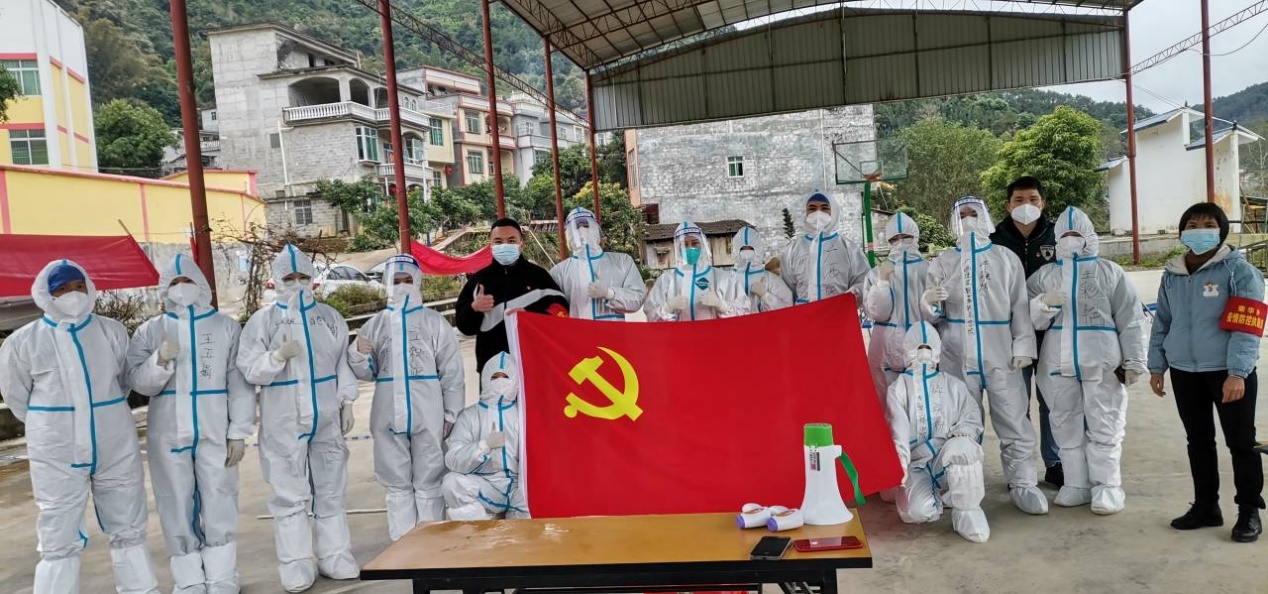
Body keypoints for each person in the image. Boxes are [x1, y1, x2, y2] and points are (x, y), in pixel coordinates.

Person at [0, 260, 162, 594]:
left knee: (128, 520)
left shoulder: (111, 331)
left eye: (78, 287)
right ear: (46, 294)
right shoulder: (23, 341)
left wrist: (104, 413)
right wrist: (52, 423)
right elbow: (16, 396)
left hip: (113, 441)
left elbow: (122, 382)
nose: (72, 294)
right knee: (58, 527)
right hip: (57, 447)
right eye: (61, 289)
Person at [126, 254, 255, 593]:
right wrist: (159, 360)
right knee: (174, 499)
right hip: (167, 432)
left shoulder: (225, 327)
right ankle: (189, 579)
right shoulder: (150, 331)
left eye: (187, 281)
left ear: (200, 285)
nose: (181, 288)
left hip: (214, 428)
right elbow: (138, 383)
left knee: (220, 496)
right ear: (163, 288)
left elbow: (239, 382)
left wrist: (238, 430)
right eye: (174, 282)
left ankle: (222, 575)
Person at [237, 245, 359, 592]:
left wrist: (347, 401)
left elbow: (341, 362)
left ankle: (335, 555)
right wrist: (276, 357)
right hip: (283, 419)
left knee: (331, 487)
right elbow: (249, 368)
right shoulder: (263, 321)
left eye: (303, 277)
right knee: (289, 493)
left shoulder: (329, 317)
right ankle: (296, 563)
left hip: (326, 416)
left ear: (312, 278)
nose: (296, 283)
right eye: (289, 277)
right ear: (277, 279)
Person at [1149, 202, 1264, 543]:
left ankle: (1249, 511)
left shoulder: (1238, 271)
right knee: (1198, 441)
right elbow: (1162, 321)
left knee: (1241, 442)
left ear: (1221, 230)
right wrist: (1157, 365)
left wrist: (1238, 373)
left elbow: (1247, 326)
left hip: (1227, 371)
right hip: (1185, 370)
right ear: (1182, 231)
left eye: (1208, 224)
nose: (1200, 230)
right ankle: (1206, 507)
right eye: (1193, 225)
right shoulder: (1172, 273)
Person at [926, 197, 1047, 515]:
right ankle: (961, 485)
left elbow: (1020, 307)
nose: (968, 220)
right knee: (959, 422)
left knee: (1013, 417)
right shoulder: (942, 262)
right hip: (955, 352)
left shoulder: (1005, 258)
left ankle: (1023, 483)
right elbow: (931, 316)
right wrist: (929, 303)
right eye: (962, 215)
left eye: (974, 214)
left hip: (1000, 350)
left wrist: (1023, 346)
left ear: (985, 217)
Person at [1027, 207, 1147, 515]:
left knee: (1105, 422)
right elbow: (1028, 319)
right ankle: (1076, 484)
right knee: (1064, 423)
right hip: (1057, 361)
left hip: (1102, 360)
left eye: (1076, 233)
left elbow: (1130, 317)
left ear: (1089, 236)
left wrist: (1135, 359)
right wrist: (1043, 304)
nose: (1070, 239)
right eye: (1065, 234)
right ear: (1056, 238)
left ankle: (1108, 487)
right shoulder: (1045, 276)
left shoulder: (1110, 272)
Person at [347, 254, 465, 541]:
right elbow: (368, 372)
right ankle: (403, 544)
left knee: (429, 479)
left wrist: (451, 413)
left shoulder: (433, 322)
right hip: (387, 414)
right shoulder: (375, 324)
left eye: (407, 280)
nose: (401, 286)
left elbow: (452, 372)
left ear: (418, 281)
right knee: (396, 483)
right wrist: (357, 353)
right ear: (386, 283)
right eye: (395, 281)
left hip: (428, 412)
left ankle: (431, 543)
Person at [887, 322, 989, 543]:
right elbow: (898, 430)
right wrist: (900, 466)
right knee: (917, 513)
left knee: (964, 448)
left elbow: (971, 418)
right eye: (919, 347)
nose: (923, 353)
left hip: (945, 456)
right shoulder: (899, 388)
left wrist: (957, 437)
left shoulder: (954, 385)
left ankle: (967, 511)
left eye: (928, 347)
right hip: (916, 464)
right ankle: (942, 495)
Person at [991, 176, 1063, 486]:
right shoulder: (994, 242)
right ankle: (1021, 468)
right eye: (1019, 200)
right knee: (1015, 403)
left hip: (1051, 334)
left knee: (1052, 400)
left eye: (1033, 199)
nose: (1026, 206)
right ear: (1008, 205)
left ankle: (1055, 461)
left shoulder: (1058, 238)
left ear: (1043, 203)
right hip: (1009, 335)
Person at [456, 218, 567, 372]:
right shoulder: (478, 281)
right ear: (491, 245)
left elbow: (561, 311)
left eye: (511, 240)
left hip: (536, 362)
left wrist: (530, 316)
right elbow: (464, 327)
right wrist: (474, 308)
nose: (505, 245)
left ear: (521, 244)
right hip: (493, 368)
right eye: (498, 241)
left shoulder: (539, 276)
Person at [442, 351, 529, 519]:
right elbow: (453, 459)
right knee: (451, 483)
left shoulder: (523, 415)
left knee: (534, 507)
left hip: (519, 486)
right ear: (485, 379)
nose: (500, 382)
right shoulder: (470, 416)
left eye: (505, 377)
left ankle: (516, 526)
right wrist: (483, 447)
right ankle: (480, 528)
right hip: (484, 483)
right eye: (494, 377)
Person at [863, 212, 935, 402]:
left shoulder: (929, 270)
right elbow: (877, 313)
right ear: (888, 240)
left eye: (906, 237)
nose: (901, 242)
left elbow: (937, 316)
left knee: (922, 402)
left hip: (921, 343)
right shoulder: (876, 273)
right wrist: (882, 282)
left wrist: (930, 304)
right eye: (895, 238)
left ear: (915, 236)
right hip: (885, 348)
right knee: (884, 401)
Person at [549, 207, 647, 320]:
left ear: (596, 229)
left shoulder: (622, 261)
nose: (582, 231)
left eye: (586, 226)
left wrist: (609, 294)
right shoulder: (558, 272)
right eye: (576, 228)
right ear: (569, 234)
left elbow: (637, 298)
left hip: (613, 331)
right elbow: (550, 310)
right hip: (578, 331)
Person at [644, 222, 749, 321]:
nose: (690, 248)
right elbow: (651, 314)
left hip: (714, 333)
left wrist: (721, 305)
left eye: (694, 243)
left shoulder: (722, 278)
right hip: (680, 334)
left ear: (702, 244)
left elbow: (744, 310)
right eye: (684, 245)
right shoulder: (666, 280)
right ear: (678, 248)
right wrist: (668, 307)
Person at [781, 192, 870, 303]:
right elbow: (787, 289)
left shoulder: (849, 248)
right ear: (804, 213)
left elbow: (865, 281)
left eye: (824, 208)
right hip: (804, 312)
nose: (818, 212)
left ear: (834, 211)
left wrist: (856, 292)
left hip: (838, 310)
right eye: (812, 208)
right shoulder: (792, 250)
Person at [729, 226, 793, 313]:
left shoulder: (772, 280)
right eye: (742, 248)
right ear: (736, 250)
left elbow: (789, 311)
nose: (746, 251)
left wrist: (765, 296)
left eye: (751, 248)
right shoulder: (727, 280)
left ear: (758, 249)